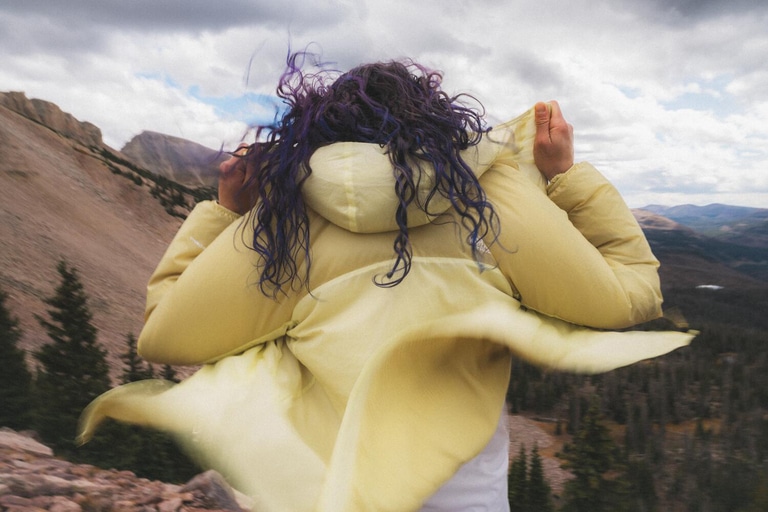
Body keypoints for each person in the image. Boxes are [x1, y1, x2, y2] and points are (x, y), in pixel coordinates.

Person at [79, 54, 693, 512]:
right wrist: (565, 177)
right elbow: (631, 293)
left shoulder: (285, 219)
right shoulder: (490, 199)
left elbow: (163, 332)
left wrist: (225, 211)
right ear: (433, 119)